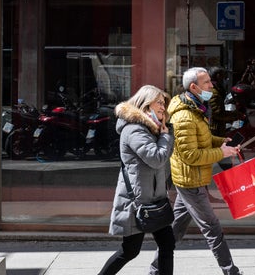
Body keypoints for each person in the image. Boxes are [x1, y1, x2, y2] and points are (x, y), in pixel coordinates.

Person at [149, 67, 243, 275]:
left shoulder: (196, 109)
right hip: (190, 180)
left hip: (192, 179)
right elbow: (190, 155)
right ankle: (231, 271)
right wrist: (221, 153)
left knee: (175, 229)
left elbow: (203, 140)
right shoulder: (184, 117)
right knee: (212, 227)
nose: (211, 86)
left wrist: (222, 142)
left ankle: (155, 270)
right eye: (207, 82)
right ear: (194, 87)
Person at [98, 85, 175, 275]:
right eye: (159, 103)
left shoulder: (152, 129)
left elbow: (163, 158)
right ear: (145, 104)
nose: (163, 107)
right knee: (130, 251)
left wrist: (164, 133)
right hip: (137, 201)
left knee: (167, 243)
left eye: (163, 103)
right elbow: (156, 158)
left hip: (154, 198)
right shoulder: (134, 130)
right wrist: (165, 136)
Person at [208, 66, 243, 170]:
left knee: (223, 160)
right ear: (218, 76)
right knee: (225, 161)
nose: (225, 78)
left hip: (216, 131)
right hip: (215, 131)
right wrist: (235, 115)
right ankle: (231, 182)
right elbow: (218, 114)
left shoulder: (216, 90)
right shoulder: (214, 93)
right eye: (223, 75)